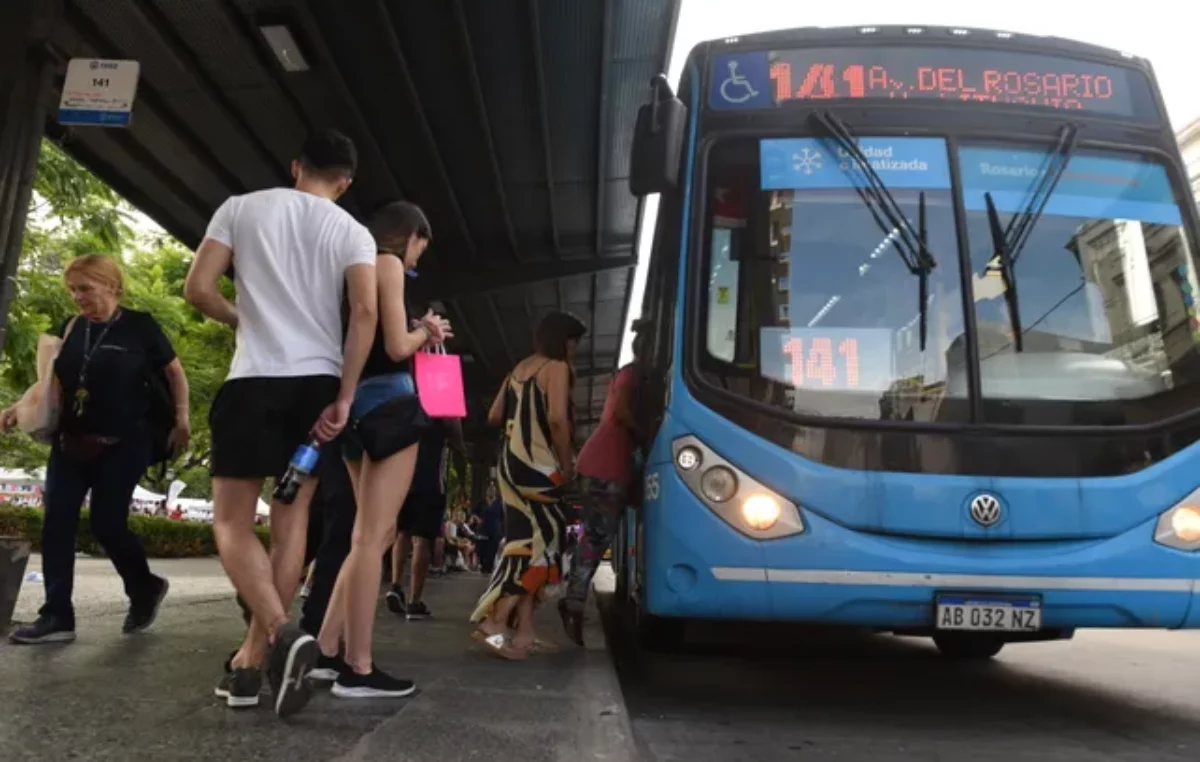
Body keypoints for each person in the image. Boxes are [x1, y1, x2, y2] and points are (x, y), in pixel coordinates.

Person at [183, 129, 379, 717]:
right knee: (291, 523)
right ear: (344, 182)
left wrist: (242, 317)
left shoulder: (239, 209)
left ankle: (279, 634)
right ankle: (253, 657)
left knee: (231, 522)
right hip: (316, 389)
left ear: (296, 166)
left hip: (253, 382)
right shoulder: (352, 230)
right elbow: (365, 313)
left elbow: (197, 289)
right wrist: (345, 396)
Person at [2, 254, 189, 644]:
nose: (77, 297)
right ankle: (57, 616)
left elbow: (174, 373)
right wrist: (20, 407)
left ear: (111, 285)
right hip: (72, 440)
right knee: (57, 522)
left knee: (107, 523)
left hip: (125, 441)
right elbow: (51, 380)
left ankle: (144, 587)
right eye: (72, 289)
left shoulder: (141, 327)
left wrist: (182, 420)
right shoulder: (71, 327)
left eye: (85, 288)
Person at [312, 200, 451, 699]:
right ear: (409, 234)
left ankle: (326, 649)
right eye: (420, 248)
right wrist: (426, 331)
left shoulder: (345, 263)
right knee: (374, 536)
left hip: (349, 404)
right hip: (389, 402)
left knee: (370, 532)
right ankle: (359, 666)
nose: (416, 261)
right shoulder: (387, 263)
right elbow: (395, 345)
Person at [469, 311, 585, 660]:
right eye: (575, 341)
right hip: (538, 467)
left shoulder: (518, 369)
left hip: (509, 465)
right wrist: (567, 463)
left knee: (522, 543)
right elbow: (557, 420)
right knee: (545, 546)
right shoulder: (556, 368)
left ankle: (525, 634)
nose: (576, 349)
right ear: (563, 340)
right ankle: (496, 620)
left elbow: (493, 415)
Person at [558, 319, 650, 645]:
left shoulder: (633, 373)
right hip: (604, 466)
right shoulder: (632, 374)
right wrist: (646, 435)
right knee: (596, 539)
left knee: (596, 538)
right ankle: (573, 605)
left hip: (606, 466)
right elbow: (623, 414)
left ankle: (573, 602)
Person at [385, 419, 465, 620]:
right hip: (430, 483)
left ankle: (395, 585)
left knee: (402, 533)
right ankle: (414, 602)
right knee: (422, 539)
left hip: (404, 479)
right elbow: (458, 443)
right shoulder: (446, 405)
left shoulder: (410, 395)